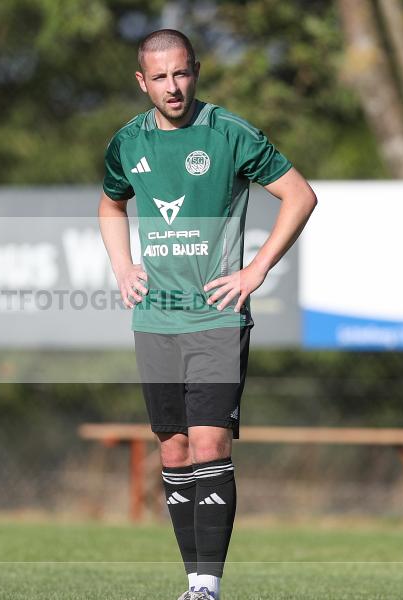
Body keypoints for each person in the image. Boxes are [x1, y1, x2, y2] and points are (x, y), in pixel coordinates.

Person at [98, 29, 317, 600]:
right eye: (160, 77)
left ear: (196, 70)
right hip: (155, 319)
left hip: (217, 319)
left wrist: (256, 269)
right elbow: (110, 203)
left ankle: (207, 586)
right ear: (141, 82)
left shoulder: (228, 133)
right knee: (172, 448)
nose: (173, 87)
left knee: (208, 443)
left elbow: (300, 195)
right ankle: (192, 581)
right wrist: (123, 267)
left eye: (182, 73)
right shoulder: (128, 142)